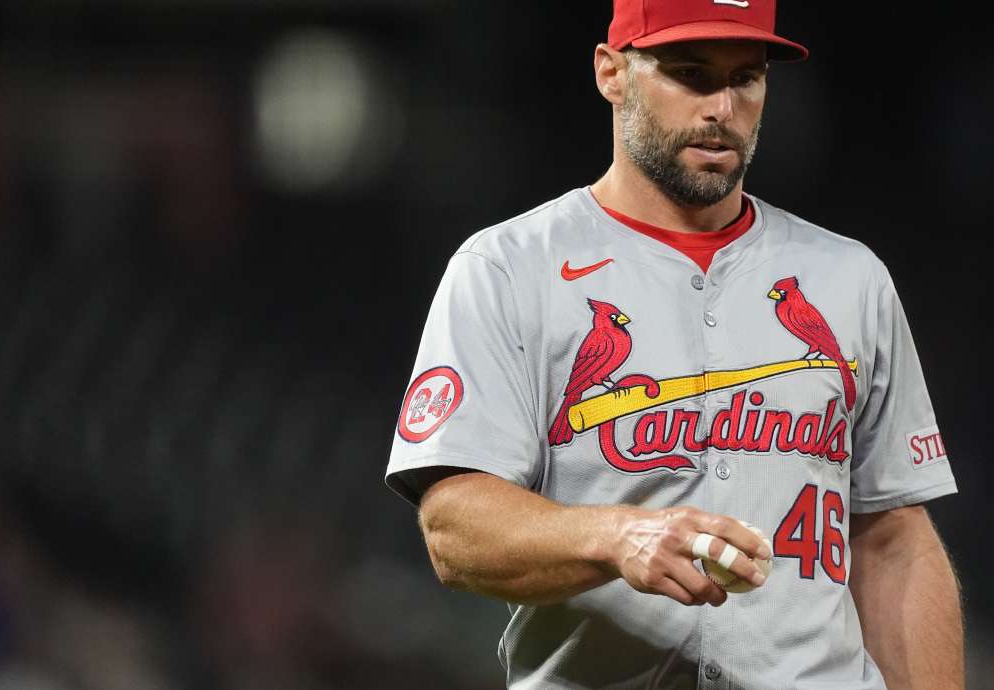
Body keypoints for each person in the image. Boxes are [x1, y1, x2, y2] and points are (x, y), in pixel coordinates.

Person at [385, 1, 963, 687]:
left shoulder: (850, 278)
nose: (721, 106)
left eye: (745, 78)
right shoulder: (511, 267)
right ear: (612, 73)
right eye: (690, 74)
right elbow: (454, 528)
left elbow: (895, 539)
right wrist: (616, 536)